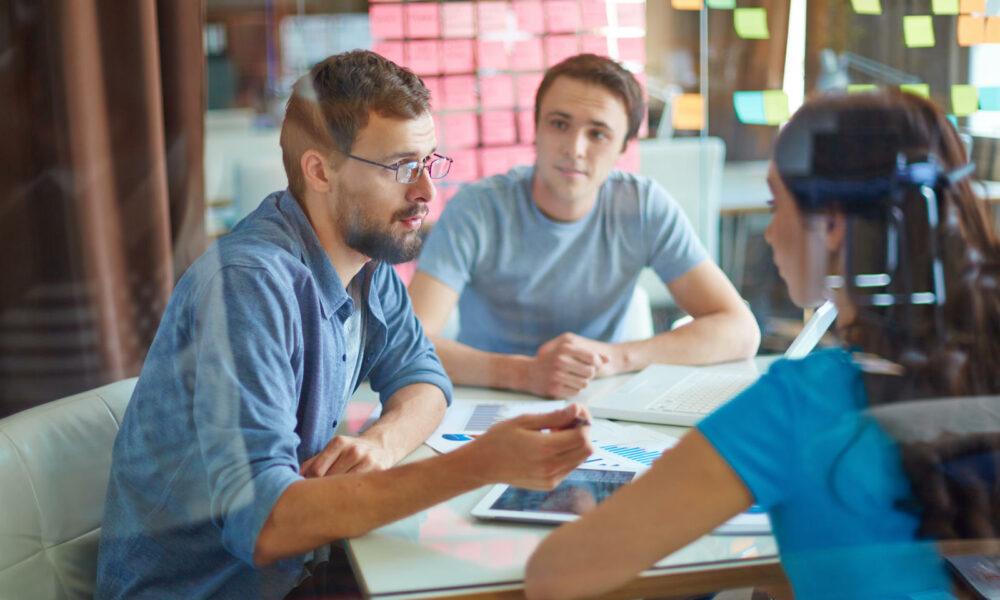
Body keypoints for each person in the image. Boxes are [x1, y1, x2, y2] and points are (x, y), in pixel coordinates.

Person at [96, 50, 592, 600]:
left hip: (294, 575)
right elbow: (264, 524)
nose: (427, 192)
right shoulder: (248, 284)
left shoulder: (364, 258)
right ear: (320, 170)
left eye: (431, 162)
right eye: (403, 167)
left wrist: (381, 443)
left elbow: (424, 378)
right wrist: (479, 465)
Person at [524, 90, 1000, 599]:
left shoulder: (803, 404)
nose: (770, 232)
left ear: (832, 224)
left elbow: (554, 579)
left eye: (777, 205)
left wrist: (583, 514)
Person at [408, 54, 760, 399]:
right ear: (536, 129)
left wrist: (616, 358)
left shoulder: (643, 206)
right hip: (487, 400)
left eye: (598, 134)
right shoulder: (478, 208)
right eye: (559, 124)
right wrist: (525, 374)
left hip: (602, 397)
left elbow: (740, 331)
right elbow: (409, 344)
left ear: (624, 146)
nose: (574, 149)